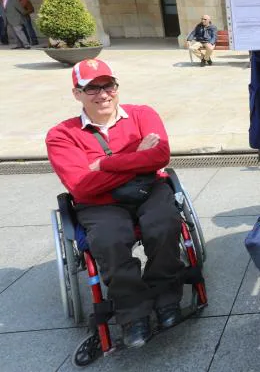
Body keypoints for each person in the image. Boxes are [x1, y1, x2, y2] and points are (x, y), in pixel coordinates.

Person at [46, 59, 182, 348]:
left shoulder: (142, 114)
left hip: (148, 189)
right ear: (77, 94)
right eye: (91, 88)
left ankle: (165, 295)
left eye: (108, 85)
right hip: (99, 204)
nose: (103, 94)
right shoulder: (61, 135)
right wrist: (137, 158)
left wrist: (103, 165)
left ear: (116, 87)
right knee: (110, 239)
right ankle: (133, 312)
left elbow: (159, 156)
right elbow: (82, 186)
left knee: (165, 224)